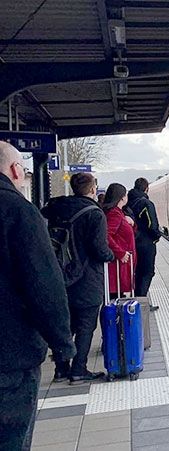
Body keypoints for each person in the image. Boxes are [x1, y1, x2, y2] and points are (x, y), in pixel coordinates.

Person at [0, 142, 75, 449]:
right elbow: (44, 285)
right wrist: (62, 345)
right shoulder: (17, 211)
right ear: (16, 170)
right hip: (9, 358)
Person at [41, 173, 114, 384]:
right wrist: (110, 255)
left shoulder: (55, 209)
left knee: (64, 323)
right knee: (85, 325)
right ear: (93, 189)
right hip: (86, 278)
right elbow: (100, 250)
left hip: (58, 275)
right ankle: (79, 369)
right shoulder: (94, 214)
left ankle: (61, 369)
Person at [126, 178, 161, 297]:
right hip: (146, 243)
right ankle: (141, 300)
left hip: (130, 242)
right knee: (147, 272)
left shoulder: (127, 203)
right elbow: (153, 226)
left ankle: (135, 298)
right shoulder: (146, 203)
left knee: (135, 271)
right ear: (146, 189)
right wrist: (156, 237)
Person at [103, 183, 136, 298]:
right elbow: (106, 235)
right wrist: (120, 253)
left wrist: (130, 222)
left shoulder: (118, 213)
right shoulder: (114, 214)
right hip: (117, 266)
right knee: (116, 298)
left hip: (120, 265)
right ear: (122, 197)